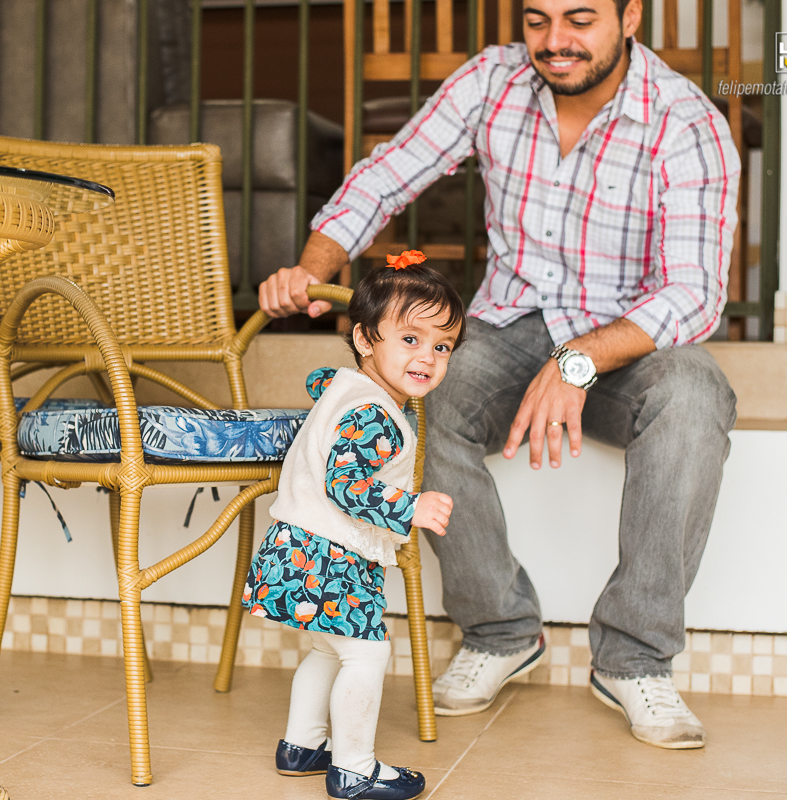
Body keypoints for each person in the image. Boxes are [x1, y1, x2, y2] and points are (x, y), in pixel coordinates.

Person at [257, 0, 739, 751]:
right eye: (538, 19)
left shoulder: (686, 121)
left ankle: (636, 658)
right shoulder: (492, 80)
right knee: (425, 390)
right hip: (508, 326)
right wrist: (310, 268)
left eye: (580, 19)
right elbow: (385, 177)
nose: (556, 42)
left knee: (695, 398)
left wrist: (575, 361)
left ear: (630, 15)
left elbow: (695, 293)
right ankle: (499, 631)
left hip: (627, 344)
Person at [244, 252, 463, 800]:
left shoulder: (345, 390)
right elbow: (348, 486)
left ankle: (301, 746)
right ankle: (354, 768)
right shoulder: (374, 413)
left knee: (326, 650)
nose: (428, 358)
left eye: (442, 347)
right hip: (330, 558)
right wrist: (410, 508)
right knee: (366, 655)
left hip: (295, 547)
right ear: (366, 339)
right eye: (410, 340)